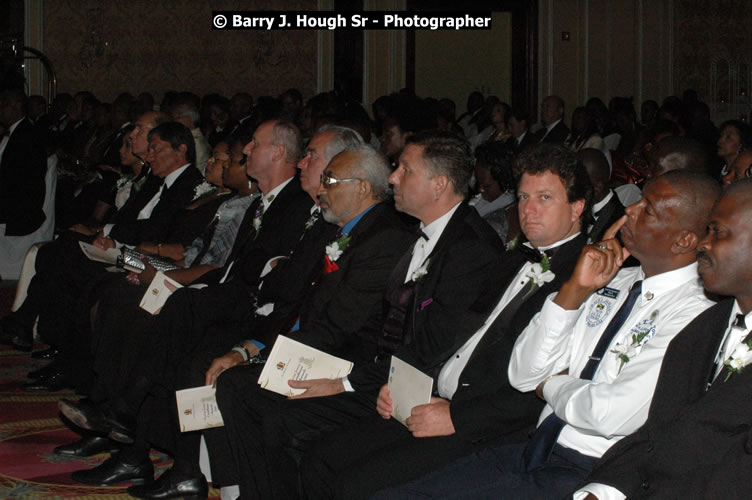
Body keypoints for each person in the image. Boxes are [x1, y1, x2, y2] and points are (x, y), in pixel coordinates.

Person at [379, 169, 719, 499]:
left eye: (647, 209)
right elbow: (523, 373)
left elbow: (607, 413)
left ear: (684, 239)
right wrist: (573, 289)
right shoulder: (611, 281)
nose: (629, 209)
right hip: (533, 448)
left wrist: (551, 384)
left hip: (592, 469)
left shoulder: (695, 313)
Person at [216, 130, 504, 499]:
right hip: (379, 371)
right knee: (255, 397)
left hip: (413, 390)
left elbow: (432, 350)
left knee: (282, 420)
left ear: (439, 185)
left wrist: (345, 381)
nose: (393, 177)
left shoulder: (469, 250)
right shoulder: (422, 233)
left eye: (404, 170)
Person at [298, 143, 592, 499]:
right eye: (525, 196)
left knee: (354, 484)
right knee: (320, 458)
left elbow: (548, 388)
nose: (528, 210)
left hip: (484, 426)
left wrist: (458, 416)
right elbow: (450, 336)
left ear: (577, 207)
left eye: (544, 198)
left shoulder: (584, 281)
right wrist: (401, 384)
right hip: (431, 397)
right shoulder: (513, 257)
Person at [575, 178, 752, 499]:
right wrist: (603, 490)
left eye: (719, 233)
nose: (703, 244)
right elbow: (658, 432)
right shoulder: (706, 326)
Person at [0, 88, 49, 280]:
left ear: (17, 106)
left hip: (19, 207)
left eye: (3, 105)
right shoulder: (13, 133)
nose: (0, 110)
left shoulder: (28, 135)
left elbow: (22, 180)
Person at [472, 141, 518, 243]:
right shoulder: (483, 199)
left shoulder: (513, 213)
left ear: (505, 180)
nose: (480, 189)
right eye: (478, 183)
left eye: (487, 186)